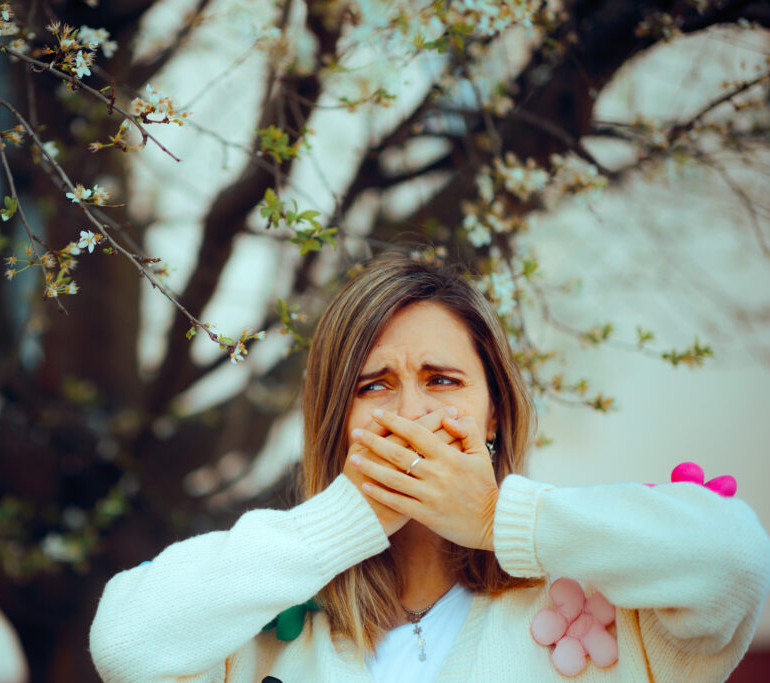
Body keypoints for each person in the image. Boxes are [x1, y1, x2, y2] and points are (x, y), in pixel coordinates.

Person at [89, 253, 770, 682]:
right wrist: (341, 523)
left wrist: (496, 517)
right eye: (373, 384)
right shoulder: (266, 628)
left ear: (495, 411)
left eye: (442, 380)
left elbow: (737, 560)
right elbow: (124, 643)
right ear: (338, 419)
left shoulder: (602, 605)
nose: (410, 412)